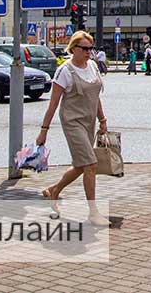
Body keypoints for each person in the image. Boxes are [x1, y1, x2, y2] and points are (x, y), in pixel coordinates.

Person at [36, 31, 110, 226]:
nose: (88, 52)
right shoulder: (65, 71)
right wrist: (44, 130)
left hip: (89, 121)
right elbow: (53, 104)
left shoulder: (93, 66)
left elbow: (96, 97)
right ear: (73, 48)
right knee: (91, 164)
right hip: (72, 121)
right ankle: (93, 212)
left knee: (81, 165)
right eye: (84, 48)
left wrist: (102, 119)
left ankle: (54, 190)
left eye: (90, 48)